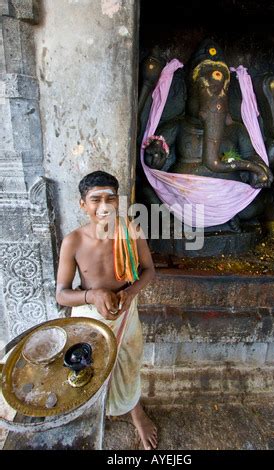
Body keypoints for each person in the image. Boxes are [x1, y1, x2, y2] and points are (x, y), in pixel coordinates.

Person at [56, 170, 157, 450]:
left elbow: (149, 271)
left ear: (118, 202)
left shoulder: (131, 231)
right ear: (83, 204)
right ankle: (91, 412)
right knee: (90, 369)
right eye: (95, 199)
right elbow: (62, 294)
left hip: (125, 311)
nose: (104, 206)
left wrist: (129, 292)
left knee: (128, 363)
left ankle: (135, 411)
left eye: (110, 198)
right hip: (90, 316)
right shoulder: (73, 242)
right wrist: (93, 294)